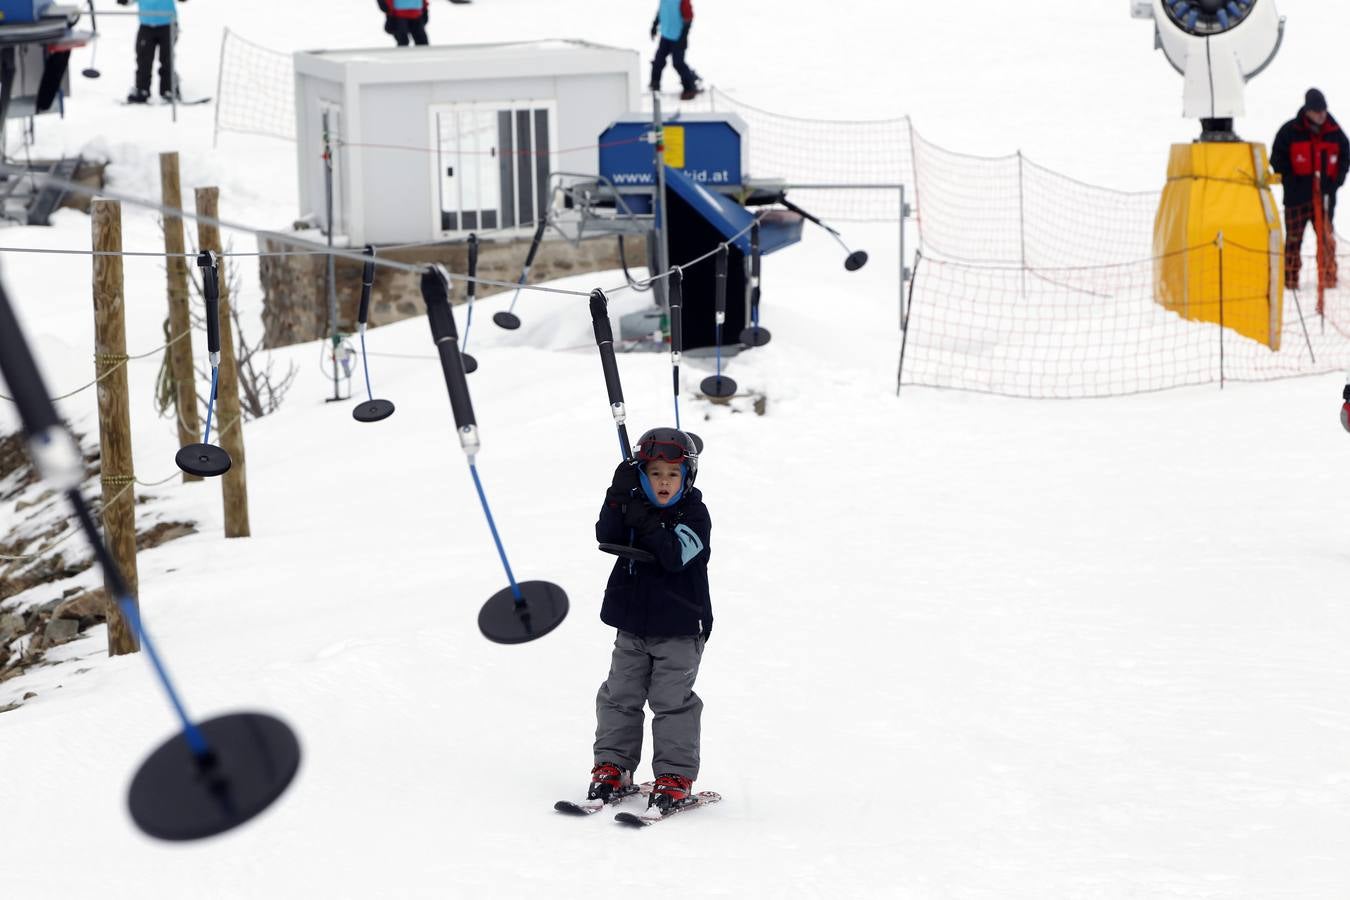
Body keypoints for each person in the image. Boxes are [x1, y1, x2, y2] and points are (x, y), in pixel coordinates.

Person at [588, 428, 713, 813]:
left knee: (671, 702)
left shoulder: (693, 514)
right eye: (654, 472)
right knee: (619, 696)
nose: (663, 481)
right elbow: (605, 535)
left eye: (672, 474)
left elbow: (674, 555)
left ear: (687, 477)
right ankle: (613, 767)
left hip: (678, 628)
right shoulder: (632, 504)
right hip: (632, 625)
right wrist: (617, 494)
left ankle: (674, 776)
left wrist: (641, 516)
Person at [1272, 88, 1350, 290]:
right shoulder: (1289, 131)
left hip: (1324, 198)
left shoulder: (1335, 132)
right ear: (1307, 111)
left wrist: (1336, 182)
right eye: (1317, 111)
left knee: (1326, 239)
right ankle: (1290, 281)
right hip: (1296, 199)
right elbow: (1277, 159)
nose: (1321, 115)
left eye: (1323, 110)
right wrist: (1292, 181)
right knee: (1293, 241)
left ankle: (1329, 279)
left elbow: (1345, 157)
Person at [116, 0, 186, 104]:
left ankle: (169, 88)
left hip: (168, 23)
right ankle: (142, 89)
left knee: (167, 59)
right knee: (143, 59)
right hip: (146, 25)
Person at [649, 0, 700, 101]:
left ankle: (690, 87)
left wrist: (684, 35)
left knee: (678, 63)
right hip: (665, 36)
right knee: (658, 61)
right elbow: (661, 12)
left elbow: (689, 17)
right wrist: (654, 26)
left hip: (678, 37)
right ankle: (655, 85)